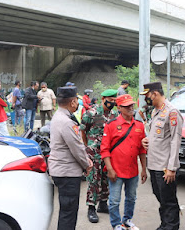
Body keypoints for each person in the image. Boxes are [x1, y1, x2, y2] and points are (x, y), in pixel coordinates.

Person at [48, 86, 93, 230]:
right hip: (67, 172)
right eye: (76, 101)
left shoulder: (58, 116)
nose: (78, 104)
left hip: (60, 170)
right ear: (72, 102)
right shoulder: (67, 122)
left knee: (66, 210)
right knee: (69, 212)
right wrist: (87, 164)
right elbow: (77, 148)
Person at [101, 94, 147, 230]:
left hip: (132, 171)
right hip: (116, 170)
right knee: (114, 201)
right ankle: (116, 224)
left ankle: (127, 220)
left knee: (131, 198)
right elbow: (104, 150)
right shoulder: (111, 125)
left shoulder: (139, 125)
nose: (130, 108)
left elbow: (142, 150)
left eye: (131, 105)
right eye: (127, 106)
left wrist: (144, 169)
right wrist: (110, 169)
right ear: (119, 107)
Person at [140, 82, 183, 230]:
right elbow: (156, 135)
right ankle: (165, 224)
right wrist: (147, 140)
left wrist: (171, 168)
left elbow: (175, 141)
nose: (147, 99)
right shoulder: (155, 111)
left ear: (155, 94)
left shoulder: (172, 112)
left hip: (165, 166)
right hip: (154, 163)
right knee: (160, 197)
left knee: (168, 200)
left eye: (147, 96)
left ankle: (171, 226)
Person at [80, 89, 118, 223]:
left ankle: (103, 203)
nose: (112, 103)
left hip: (108, 152)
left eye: (114, 101)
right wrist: (88, 147)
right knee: (94, 179)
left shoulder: (114, 114)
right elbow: (83, 131)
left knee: (106, 178)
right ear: (103, 98)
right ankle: (91, 208)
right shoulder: (91, 113)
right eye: (110, 100)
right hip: (94, 152)